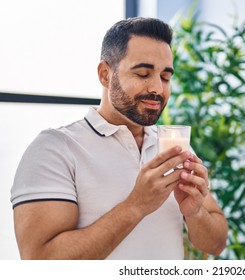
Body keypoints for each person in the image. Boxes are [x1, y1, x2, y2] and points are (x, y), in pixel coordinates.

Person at [10, 17, 228, 260]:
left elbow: (216, 244)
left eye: (165, 77)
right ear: (105, 74)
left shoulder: (172, 146)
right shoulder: (55, 149)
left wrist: (196, 212)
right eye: (143, 73)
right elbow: (40, 262)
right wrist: (136, 205)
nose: (157, 88)